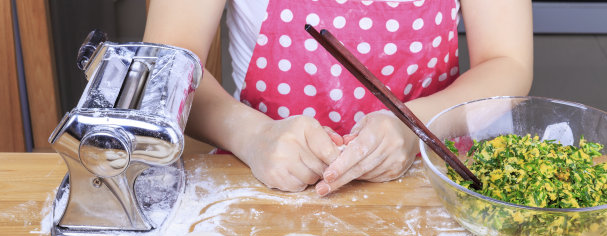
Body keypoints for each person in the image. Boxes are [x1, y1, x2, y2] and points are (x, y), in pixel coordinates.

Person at [143, 0, 533, 196]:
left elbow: (507, 62)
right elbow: (167, 61)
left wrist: (417, 126)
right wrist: (252, 136)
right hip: (263, 182)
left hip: (428, 183)